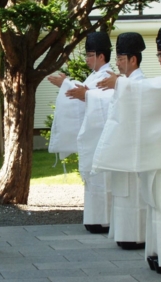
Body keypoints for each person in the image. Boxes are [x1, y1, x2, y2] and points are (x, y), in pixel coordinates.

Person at [94, 26, 161, 273]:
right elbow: (150, 96)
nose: (160, 60)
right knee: (159, 206)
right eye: (159, 55)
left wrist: (120, 83)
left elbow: (150, 92)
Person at [48, 31, 113, 234]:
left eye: (89, 55)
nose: (86, 59)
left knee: (102, 178)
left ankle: (103, 219)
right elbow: (87, 94)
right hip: (93, 136)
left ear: (101, 56)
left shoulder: (108, 77)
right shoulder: (95, 76)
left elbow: (103, 100)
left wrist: (69, 86)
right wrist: (68, 85)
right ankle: (95, 218)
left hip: (101, 137)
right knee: (93, 179)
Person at [103, 32, 147, 250]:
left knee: (135, 193)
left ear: (133, 60)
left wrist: (119, 83)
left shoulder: (139, 84)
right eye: (117, 59)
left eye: (121, 59)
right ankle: (125, 234)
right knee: (122, 192)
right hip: (121, 146)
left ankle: (136, 235)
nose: (118, 64)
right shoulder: (125, 83)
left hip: (134, 149)